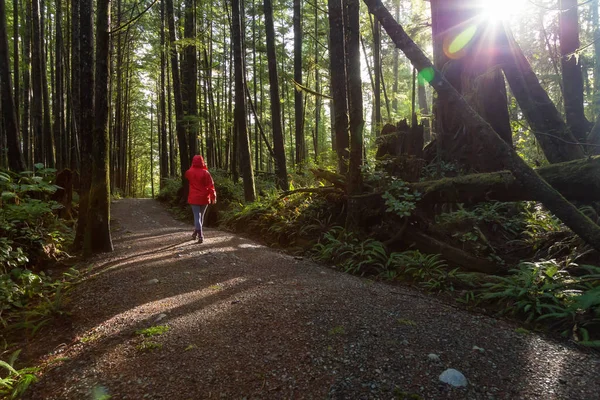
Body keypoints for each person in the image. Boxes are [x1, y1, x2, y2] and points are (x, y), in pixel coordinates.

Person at [184, 155, 216, 243]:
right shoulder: (206, 173)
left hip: (194, 197)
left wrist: (193, 167)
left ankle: (200, 235)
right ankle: (196, 233)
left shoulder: (189, 172)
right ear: (203, 161)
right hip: (204, 198)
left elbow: (187, 175)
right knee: (200, 217)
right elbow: (211, 186)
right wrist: (213, 197)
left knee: (197, 216)